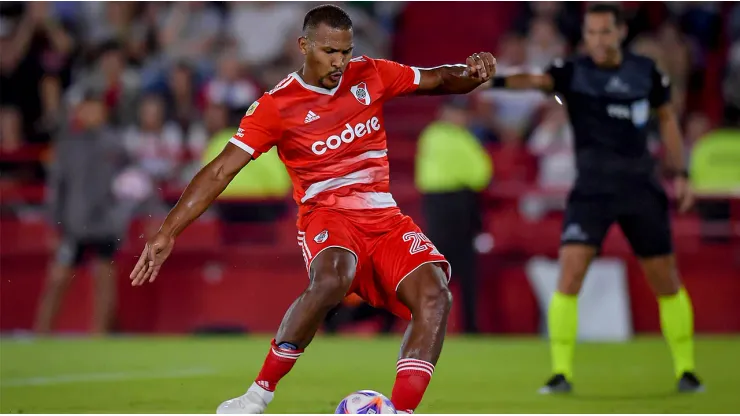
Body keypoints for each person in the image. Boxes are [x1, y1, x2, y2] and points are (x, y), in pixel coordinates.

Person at [129, 4, 496, 414]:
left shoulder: (370, 73)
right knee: (332, 278)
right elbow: (219, 172)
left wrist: (473, 72)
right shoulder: (276, 106)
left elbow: (439, 79)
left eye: (346, 51)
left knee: (436, 294)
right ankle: (257, 395)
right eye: (329, 52)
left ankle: (401, 411)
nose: (340, 62)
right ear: (304, 46)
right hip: (328, 216)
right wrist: (168, 232)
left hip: (384, 218)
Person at [488, 3, 703, 394]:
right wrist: (493, 82)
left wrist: (682, 173)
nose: (598, 40)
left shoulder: (645, 71)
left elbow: (668, 119)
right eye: (591, 33)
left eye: (605, 32)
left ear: (620, 32)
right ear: (584, 35)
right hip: (591, 190)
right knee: (569, 275)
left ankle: (687, 371)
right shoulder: (572, 71)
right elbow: (534, 81)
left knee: (666, 281)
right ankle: (560, 374)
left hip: (641, 189)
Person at [35, 91, 129, 335]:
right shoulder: (68, 144)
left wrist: (120, 217)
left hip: (105, 225)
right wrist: (54, 224)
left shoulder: (115, 144)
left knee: (105, 283)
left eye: (95, 108)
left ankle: (99, 337)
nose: (91, 113)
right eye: (86, 108)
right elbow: (57, 188)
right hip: (74, 225)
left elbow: (132, 182)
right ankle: (41, 334)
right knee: (58, 279)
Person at [415, 96, 493, 333]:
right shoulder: (436, 135)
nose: (460, 117)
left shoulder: (463, 138)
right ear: (444, 112)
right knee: (434, 269)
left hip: (462, 205)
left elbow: (481, 174)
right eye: (456, 112)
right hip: (443, 205)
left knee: (466, 270)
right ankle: (421, 322)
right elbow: (476, 172)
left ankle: (470, 327)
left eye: (463, 113)